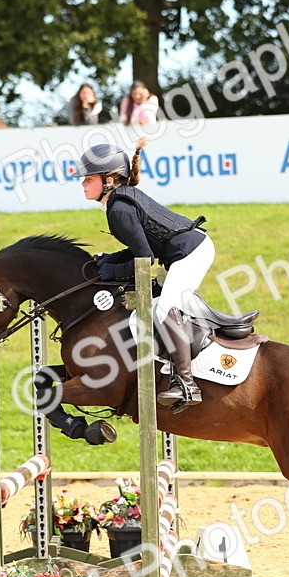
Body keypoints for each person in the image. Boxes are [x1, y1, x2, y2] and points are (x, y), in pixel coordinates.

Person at [75, 139, 213, 410]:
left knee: (164, 309)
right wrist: (108, 261)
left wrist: (112, 268)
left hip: (191, 253)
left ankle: (186, 384)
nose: (82, 184)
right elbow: (140, 248)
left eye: (88, 179)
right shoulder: (117, 202)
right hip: (182, 251)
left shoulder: (119, 209)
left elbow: (144, 259)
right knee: (155, 307)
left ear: (109, 179)